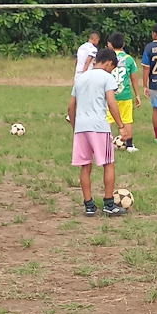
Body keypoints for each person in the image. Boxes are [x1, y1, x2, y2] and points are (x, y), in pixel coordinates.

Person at [68, 48, 128, 216]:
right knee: (108, 163)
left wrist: (75, 127)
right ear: (109, 63)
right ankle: (109, 204)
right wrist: (121, 125)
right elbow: (111, 102)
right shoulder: (107, 78)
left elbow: (71, 107)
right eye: (112, 68)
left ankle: (89, 205)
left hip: (81, 128)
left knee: (85, 166)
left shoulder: (80, 78)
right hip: (99, 127)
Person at [106, 31, 141, 153]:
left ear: (110, 44)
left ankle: (103, 143)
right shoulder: (129, 59)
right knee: (127, 119)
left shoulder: (107, 58)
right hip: (125, 94)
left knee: (108, 119)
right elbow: (134, 78)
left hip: (109, 94)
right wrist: (137, 95)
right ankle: (129, 145)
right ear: (124, 44)